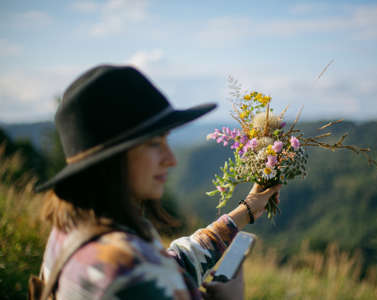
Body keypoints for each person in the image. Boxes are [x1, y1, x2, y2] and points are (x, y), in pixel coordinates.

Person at [34, 65, 281, 299]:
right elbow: (153, 274)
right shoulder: (128, 270)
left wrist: (246, 211)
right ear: (113, 159)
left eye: (166, 140)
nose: (171, 159)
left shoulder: (71, 230)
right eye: (154, 143)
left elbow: (173, 263)